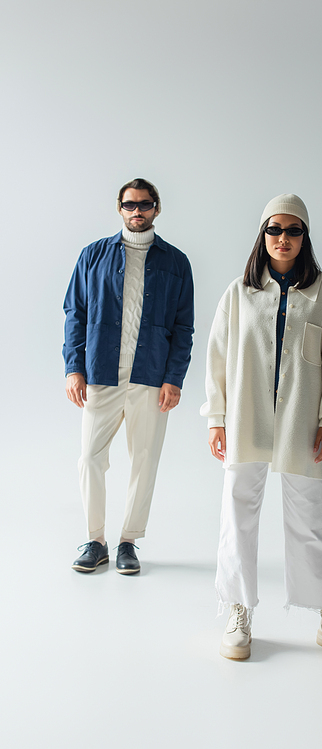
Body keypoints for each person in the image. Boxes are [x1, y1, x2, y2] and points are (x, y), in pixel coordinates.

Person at [201, 193, 322, 662]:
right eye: (275, 229)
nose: (283, 238)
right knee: (237, 513)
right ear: (262, 235)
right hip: (246, 417)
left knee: (312, 516)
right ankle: (237, 609)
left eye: (294, 230)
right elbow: (216, 358)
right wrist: (216, 417)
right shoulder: (239, 292)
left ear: (305, 236)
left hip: (302, 420)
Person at [64, 178, 194, 574]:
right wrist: (74, 367)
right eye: (129, 205)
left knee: (145, 460)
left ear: (157, 208)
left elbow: (184, 327)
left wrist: (174, 377)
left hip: (151, 377)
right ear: (119, 208)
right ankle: (95, 540)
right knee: (90, 457)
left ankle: (127, 542)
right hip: (101, 374)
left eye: (145, 204)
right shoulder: (93, 255)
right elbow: (75, 314)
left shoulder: (176, 263)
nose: (137, 211)